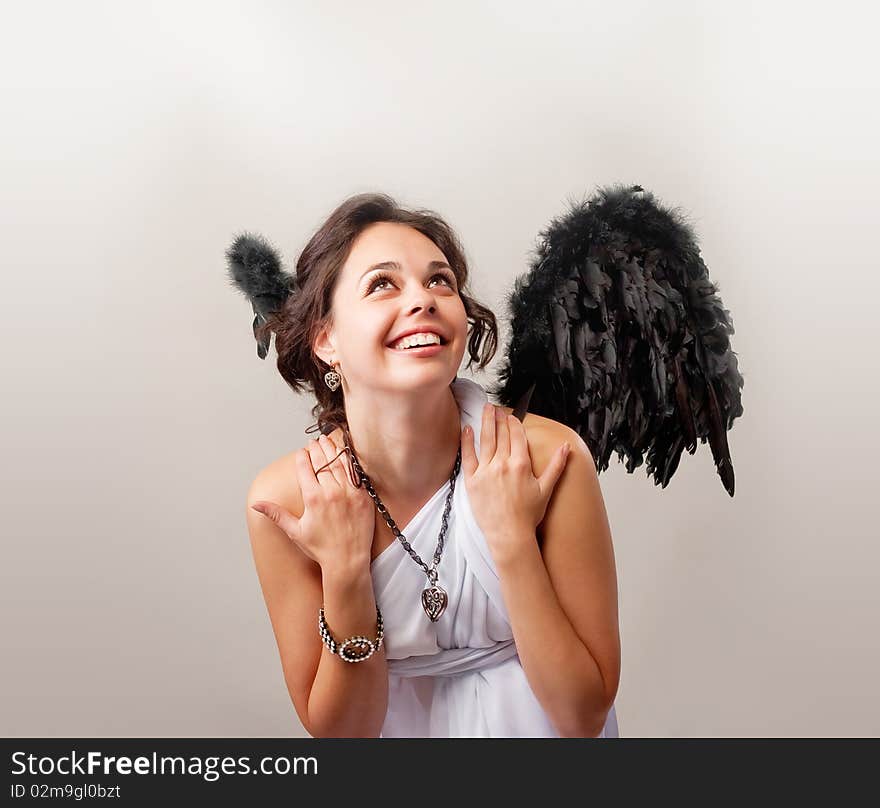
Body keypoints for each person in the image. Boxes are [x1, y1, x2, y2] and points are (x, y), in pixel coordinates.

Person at [241, 193, 621, 737]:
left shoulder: (544, 457)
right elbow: (345, 737)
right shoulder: (288, 503)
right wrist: (347, 572)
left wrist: (512, 541)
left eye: (439, 281)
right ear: (326, 339)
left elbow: (583, 717)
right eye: (382, 284)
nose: (424, 299)